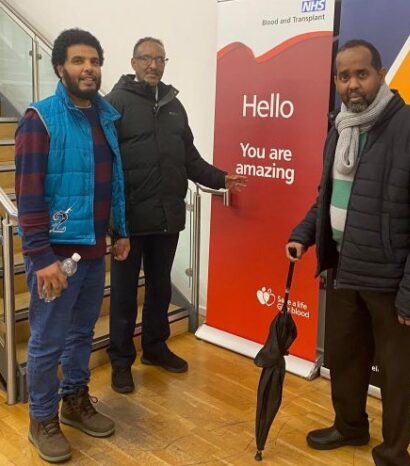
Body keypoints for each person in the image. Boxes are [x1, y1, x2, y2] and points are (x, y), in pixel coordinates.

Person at [286, 40, 410, 466]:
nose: (352, 84)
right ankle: (349, 427)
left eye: (362, 74)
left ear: (381, 75)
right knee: (344, 359)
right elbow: (328, 196)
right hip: (342, 268)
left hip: (391, 280)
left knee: (396, 375)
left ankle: (395, 453)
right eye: (344, 76)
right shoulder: (340, 128)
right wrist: (304, 235)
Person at [105, 37, 247, 393]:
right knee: (123, 295)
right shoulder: (114, 103)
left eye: (160, 59)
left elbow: (190, 159)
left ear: (165, 63)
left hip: (167, 217)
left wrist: (220, 179)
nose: (153, 65)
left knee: (159, 288)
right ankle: (121, 361)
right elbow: (104, 166)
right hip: (128, 222)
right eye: (146, 59)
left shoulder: (174, 106)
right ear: (133, 62)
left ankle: (154, 347)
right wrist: (112, 223)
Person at [15, 28, 130, 463]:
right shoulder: (40, 118)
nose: (89, 69)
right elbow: (28, 193)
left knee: (82, 332)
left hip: (94, 247)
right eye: (79, 61)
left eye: (95, 61)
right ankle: (41, 418)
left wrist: (119, 232)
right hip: (56, 256)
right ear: (60, 67)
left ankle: (74, 399)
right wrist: (41, 256)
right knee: (46, 339)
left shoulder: (105, 117)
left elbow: (112, 181)